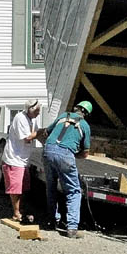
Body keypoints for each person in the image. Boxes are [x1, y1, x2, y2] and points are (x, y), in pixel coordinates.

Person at [41, 100, 92, 238]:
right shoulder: (85, 126)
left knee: (51, 187)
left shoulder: (63, 116)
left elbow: (46, 132)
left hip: (48, 150)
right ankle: (72, 228)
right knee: (73, 191)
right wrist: (72, 155)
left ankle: (52, 221)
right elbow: (85, 153)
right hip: (66, 155)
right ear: (86, 114)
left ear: (76, 108)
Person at [1, 99, 41, 222]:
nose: (39, 113)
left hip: (23, 159)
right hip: (14, 159)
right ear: (30, 109)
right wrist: (41, 132)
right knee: (16, 188)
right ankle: (16, 213)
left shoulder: (32, 119)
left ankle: (21, 210)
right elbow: (27, 138)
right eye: (37, 111)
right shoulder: (20, 118)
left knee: (24, 187)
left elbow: (36, 134)